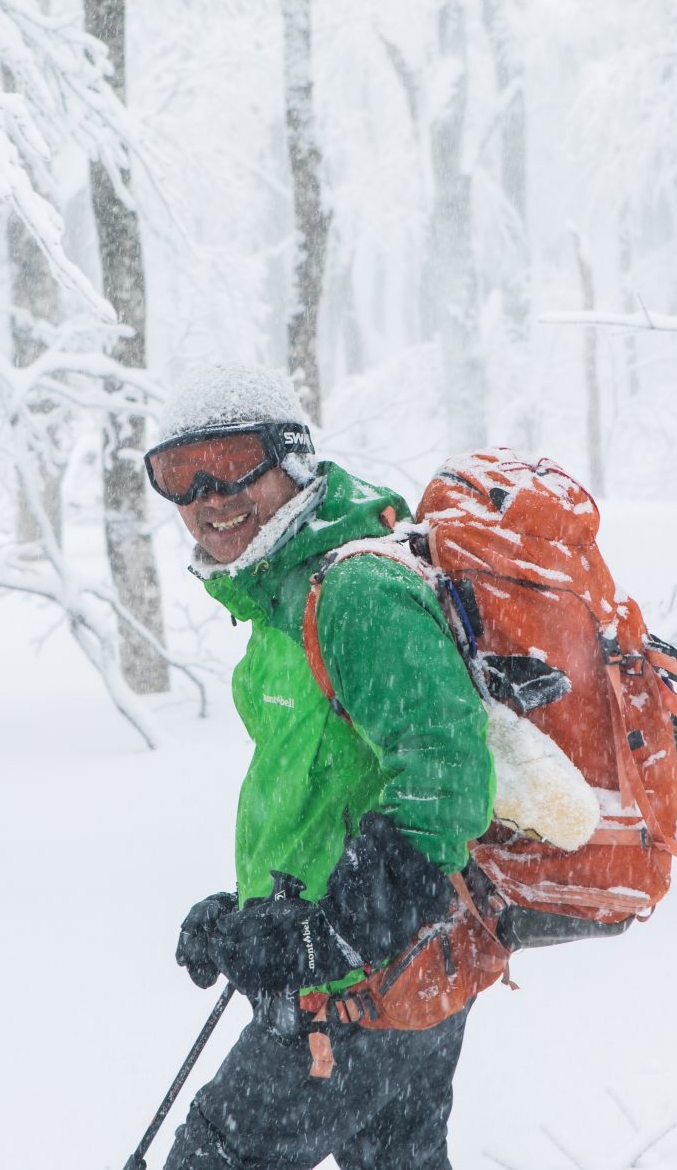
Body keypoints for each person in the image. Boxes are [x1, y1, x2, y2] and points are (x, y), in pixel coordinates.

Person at [147, 362, 495, 1170]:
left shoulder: (354, 592)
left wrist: (327, 935)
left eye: (232, 463)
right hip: (400, 976)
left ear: (293, 458)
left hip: (363, 988)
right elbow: (327, 782)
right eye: (178, 475)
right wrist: (245, 915)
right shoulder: (281, 597)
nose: (208, 496)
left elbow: (449, 777)